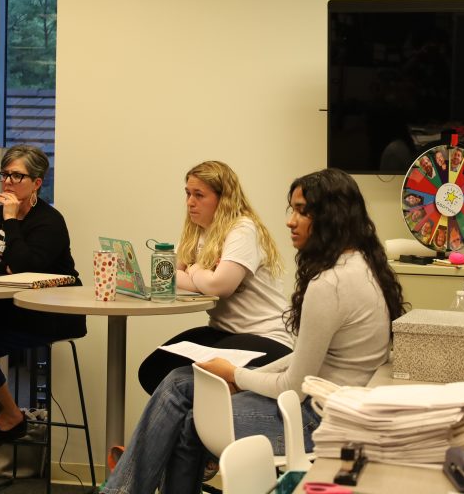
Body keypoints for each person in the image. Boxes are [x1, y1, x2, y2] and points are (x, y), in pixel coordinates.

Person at [101, 168, 407, 493]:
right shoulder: (362, 265)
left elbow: (294, 385)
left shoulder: (328, 284)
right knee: (178, 382)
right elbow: (297, 361)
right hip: (328, 405)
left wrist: (236, 375)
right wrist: (234, 375)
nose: (290, 220)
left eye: (302, 211)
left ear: (331, 217)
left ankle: (122, 488)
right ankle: (123, 487)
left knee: (190, 420)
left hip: (318, 420)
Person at [0, 144, 87, 451]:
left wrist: (12, 221)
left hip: (52, 311)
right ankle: (3, 408)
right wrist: (7, 258)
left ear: (37, 183)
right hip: (5, 306)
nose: (8, 182)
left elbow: (26, 266)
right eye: (5, 174)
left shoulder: (50, 222)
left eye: (17, 176)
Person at [137, 161, 294, 395]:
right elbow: (167, 276)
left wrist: (194, 270)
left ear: (223, 199)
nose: (190, 202)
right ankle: (193, 427)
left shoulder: (242, 228)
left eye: (199, 195)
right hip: (224, 330)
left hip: (267, 335)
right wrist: (202, 276)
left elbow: (221, 286)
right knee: (153, 370)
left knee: (180, 380)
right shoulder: (198, 230)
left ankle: (198, 428)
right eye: (188, 193)